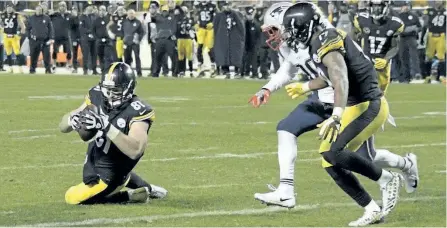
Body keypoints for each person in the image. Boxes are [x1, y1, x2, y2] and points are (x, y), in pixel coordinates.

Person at [251, 3, 418, 226]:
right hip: (340, 100)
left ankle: (394, 173)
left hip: (360, 102)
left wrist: (336, 115)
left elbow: (339, 77)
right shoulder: (308, 41)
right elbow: (325, 76)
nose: (278, 35)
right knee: (326, 155)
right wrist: (301, 87)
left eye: (280, 29)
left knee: (354, 156)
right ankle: (370, 207)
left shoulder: (324, 38)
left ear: (298, 25)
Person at [59, 62, 168, 205]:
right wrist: (71, 120)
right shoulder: (97, 95)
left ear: (128, 88)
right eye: (107, 90)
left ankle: (128, 196)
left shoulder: (138, 110)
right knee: (120, 174)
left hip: (110, 175)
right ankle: (148, 188)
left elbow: (135, 150)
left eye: (115, 90)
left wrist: (106, 126)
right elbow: (62, 126)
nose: (109, 95)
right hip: (97, 162)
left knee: (72, 197)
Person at [353, 0, 403, 93]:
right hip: (365, 62)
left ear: (386, 7)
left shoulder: (394, 24)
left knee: (379, 95)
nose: (376, 9)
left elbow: (394, 46)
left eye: (379, 6)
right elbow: (354, 39)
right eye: (374, 6)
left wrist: (386, 59)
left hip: (382, 64)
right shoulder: (362, 20)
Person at [213, 1, 245, 78]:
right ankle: (225, 70)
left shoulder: (237, 15)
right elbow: (215, 27)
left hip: (234, 39)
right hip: (223, 39)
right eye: (225, 5)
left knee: (236, 54)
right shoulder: (219, 15)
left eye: (228, 5)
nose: (227, 7)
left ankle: (237, 71)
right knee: (223, 54)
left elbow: (241, 27)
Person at [398, 1, 422, 82]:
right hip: (402, 38)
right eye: (404, 6)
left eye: (407, 5)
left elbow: (420, 27)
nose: (406, 7)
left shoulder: (414, 16)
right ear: (401, 7)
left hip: (412, 37)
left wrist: (415, 29)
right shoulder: (398, 16)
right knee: (403, 57)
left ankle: (416, 74)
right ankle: (406, 77)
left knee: (414, 56)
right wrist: (404, 30)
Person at [422, 0, 446, 83]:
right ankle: (427, 76)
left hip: (441, 35)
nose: (438, 2)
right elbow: (425, 22)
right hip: (431, 35)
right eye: (437, 0)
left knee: (441, 57)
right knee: (428, 57)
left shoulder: (445, 12)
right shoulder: (429, 10)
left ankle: (442, 76)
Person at [151, 5, 178, 78]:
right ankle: (155, 73)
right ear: (161, 11)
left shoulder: (172, 17)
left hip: (169, 40)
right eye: (163, 11)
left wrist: (171, 34)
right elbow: (152, 19)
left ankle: (174, 73)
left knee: (173, 57)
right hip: (160, 40)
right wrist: (152, 12)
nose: (164, 12)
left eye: (166, 11)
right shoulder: (158, 17)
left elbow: (174, 27)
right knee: (157, 57)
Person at [27, 4, 54, 74]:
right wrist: (29, 37)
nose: (39, 11)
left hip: (45, 40)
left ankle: (48, 69)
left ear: (42, 10)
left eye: (40, 10)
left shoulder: (46, 18)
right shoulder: (31, 18)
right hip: (34, 40)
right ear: (35, 10)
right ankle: (32, 69)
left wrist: (51, 38)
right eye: (37, 9)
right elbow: (28, 29)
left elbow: (51, 29)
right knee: (33, 56)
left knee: (47, 56)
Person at [1, 3, 26, 73]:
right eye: (8, 7)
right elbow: (2, 24)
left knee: (17, 52)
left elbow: (23, 26)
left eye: (10, 7)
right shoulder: (2, 15)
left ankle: (20, 68)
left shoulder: (16, 15)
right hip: (6, 36)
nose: (9, 9)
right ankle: (10, 68)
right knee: (8, 53)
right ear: (6, 8)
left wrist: (20, 34)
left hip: (14, 36)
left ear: (12, 8)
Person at [194, 0, 216, 76]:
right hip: (201, 29)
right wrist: (195, 23)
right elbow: (195, 15)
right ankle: (200, 65)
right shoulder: (198, 5)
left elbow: (217, 15)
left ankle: (213, 66)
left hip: (209, 29)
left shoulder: (212, 5)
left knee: (210, 47)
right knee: (199, 47)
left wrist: (213, 23)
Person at [50, 1, 73, 72]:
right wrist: (49, 13)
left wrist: (75, 15)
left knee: (68, 51)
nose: (62, 7)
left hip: (66, 36)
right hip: (56, 36)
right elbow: (47, 19)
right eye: (61, 6)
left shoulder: (69, 15)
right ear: (59, 7)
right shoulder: (54, 15)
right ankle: (54, 65)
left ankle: (68, 65)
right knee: (55, 51)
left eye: (64, 6)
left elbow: (74, 23)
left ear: (66, 7)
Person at [122, 9, 145, 77]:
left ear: (134, 14)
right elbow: (121, 32)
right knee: (127, 58)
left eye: (132, 13)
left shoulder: (138, 22)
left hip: (135, 43)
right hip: (126, 43)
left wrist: (139, 39)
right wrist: (123, 39)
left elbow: (142, 32)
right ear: (127, 14)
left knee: (137, 57)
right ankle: (127, 73)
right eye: (130, 13)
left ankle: (139, 73)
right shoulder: (124, 22)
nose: (131, 15)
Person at [93, 5, 114, 74]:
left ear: (105, 11)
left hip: (107, 40)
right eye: (100, 10)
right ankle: (103, 70)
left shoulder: (108, 19)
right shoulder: (96, 20)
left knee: (108, 56)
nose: (102, 11)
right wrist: (96, 38)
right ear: (99, 11)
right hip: (99, 40)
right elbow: (93, 30)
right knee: (100, 56)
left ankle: (108, 70)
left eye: (103, 10)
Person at [176, 6, 194, 77]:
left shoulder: (189, 20)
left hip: (188, 39)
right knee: (181, 56)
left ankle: (191, 71)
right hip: (180, 39)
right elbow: (176, 30)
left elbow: (192, 30)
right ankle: (181, 71)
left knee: (189, 56)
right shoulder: (178, 19)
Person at [242, 6, 261, 79]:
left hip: (254, 45)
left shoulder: (256, 24)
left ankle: (254, 73)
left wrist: (257, 45)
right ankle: (245, 73)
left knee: (254, 60)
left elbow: (259, 36)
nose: (249, 16)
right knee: (245, 59)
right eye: (248, 15)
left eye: (251, 14)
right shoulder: (244, 23)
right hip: (245, 44)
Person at [79, 5, 97, 75]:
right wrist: (89, 32)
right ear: (86, 8)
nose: (91, 8)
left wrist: (93, 34)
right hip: (85, 38)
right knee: (86, 54)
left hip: (93, 38)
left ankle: (94, 69)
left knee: (94, 54)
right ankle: (85, 69)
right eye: (90, 7)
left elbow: (95, 26)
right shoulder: (82, 17)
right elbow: (81, 28)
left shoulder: (93, 16)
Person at [69, 6, 80, 73]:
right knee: (75, 53)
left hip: (82, 37)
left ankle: (87, 68)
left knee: (85, 53)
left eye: (75, 10)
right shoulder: (70, 18)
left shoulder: (80, 17)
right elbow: (71, 26)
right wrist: (74, 17)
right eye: (73, 10)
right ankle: (75, 67)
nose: (74, 11)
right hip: (74, 38)